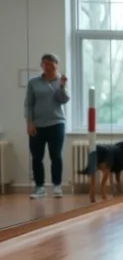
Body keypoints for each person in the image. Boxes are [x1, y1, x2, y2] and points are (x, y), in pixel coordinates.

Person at [24, 53, 69, 199]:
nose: (46, 67)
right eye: (44, 64)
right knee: (37, 156)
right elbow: (28, 104)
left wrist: (62, 87)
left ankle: (57, 185)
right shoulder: (34, 82)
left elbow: (63, 100)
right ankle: (39, 187)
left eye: (50, 64)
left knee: (55, 155)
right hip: (37, 125)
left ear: (56, 65)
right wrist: (29, 122)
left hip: (56, 123)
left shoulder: (60, 80)